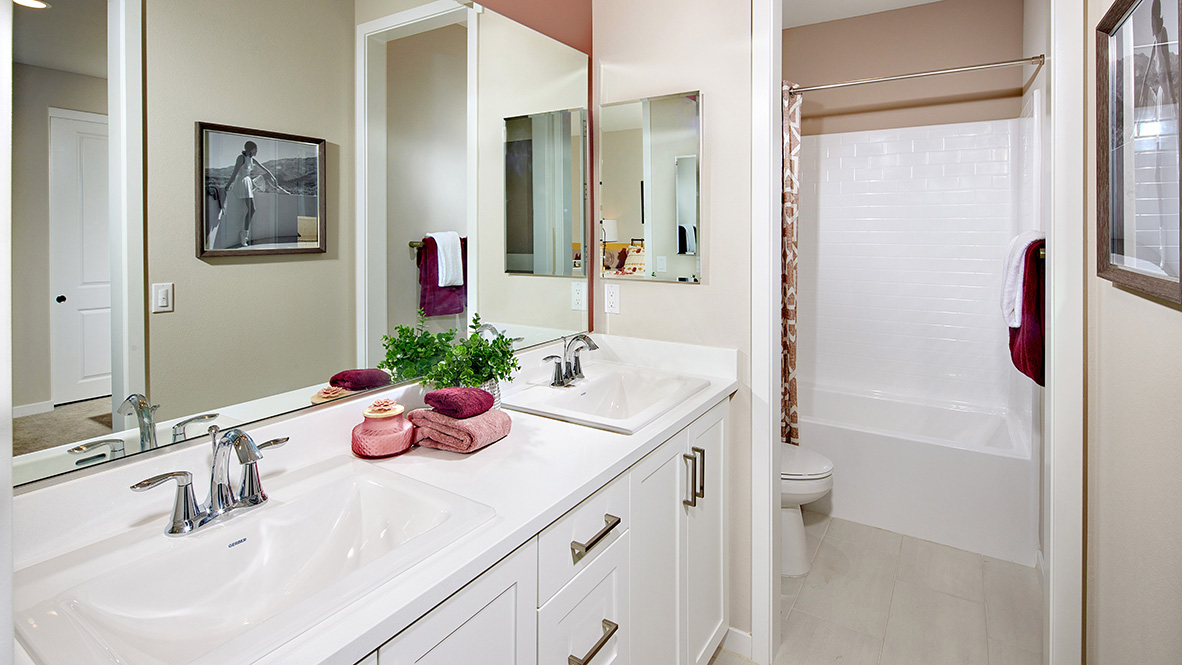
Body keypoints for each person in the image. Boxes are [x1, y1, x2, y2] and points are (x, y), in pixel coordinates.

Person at [222, 140, 284, 247]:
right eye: (256, 149)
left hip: (248, 182)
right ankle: (244, 235)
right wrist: (227, 186)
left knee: (252, 208)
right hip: (242, 183)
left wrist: (272, 176)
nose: (257, 151)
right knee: (252, 209)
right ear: (252, 149)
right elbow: (234, 173)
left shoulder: (251, 159)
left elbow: (264, 169)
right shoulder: (241, 158)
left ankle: (244, 235)